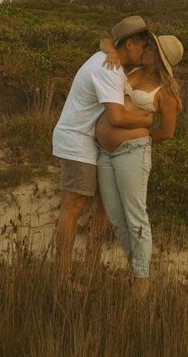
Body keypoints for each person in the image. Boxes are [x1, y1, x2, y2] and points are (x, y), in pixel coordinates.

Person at [51, 15, 156, 284]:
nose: (146, 53)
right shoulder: (108, 69)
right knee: (73, 207)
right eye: (144, 47)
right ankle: (61, 276)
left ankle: (89, 266)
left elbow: (106, 40)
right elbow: (117, 117)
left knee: (101, 206)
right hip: (77, 142)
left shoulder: (111, 60)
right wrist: (147, 122)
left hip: (90, 143)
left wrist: (109, 47)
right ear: (130, 44)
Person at [94, 30, 184, 295]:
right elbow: (104, 40)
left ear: (158, 56)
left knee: (136, 217)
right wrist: (110, 49)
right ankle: (135, 269)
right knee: (116, 217)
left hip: (133, 153)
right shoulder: (131, 69)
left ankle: (141, 282)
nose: (144, 49)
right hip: (105, 153)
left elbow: (167, 131)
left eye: (150, 48)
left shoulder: (166, 92)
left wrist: (139, 140)